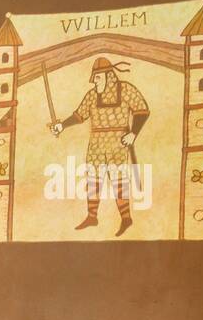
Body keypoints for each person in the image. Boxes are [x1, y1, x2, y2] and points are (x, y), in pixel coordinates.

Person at [49, 57, 150, 237]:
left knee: (119, 180)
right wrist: (61, 125)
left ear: (108, 75)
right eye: (94, 78)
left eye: (97, 77)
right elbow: (79, 116)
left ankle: (126, 218)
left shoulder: (126, 90)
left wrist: (133, 133)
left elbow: (142, 110)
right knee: (93, 179)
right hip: (96, 142)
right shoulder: (92, 95)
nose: (94, 81)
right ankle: (92, 216)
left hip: (118, 141)